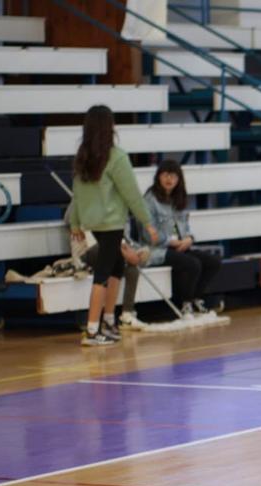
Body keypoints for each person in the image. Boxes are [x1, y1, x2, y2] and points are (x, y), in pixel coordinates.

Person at [67, 104, 156, 347]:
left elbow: (77, 194)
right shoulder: (117, 157)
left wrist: (75, 223)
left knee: (117, 267)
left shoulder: (83, 156)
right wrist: (147, 222)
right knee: (103, 274)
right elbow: (132, 194)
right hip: (111, 223)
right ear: (110, 127)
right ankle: (92, 330)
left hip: (93, 222)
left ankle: (108, 321)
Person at [143, 160, 221, 317]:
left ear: (179, 180)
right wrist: (172, 242)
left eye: (173, 176)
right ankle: (184, 304)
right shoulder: (149, 200)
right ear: (158, 177)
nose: (169, 179)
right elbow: (147, 234)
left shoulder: (179, 198)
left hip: (179, 247)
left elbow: (186, 227)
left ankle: (195, 299)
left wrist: (189, 239)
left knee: (213, 261)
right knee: (192, 264)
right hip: (157, 250)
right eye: (165, 175)